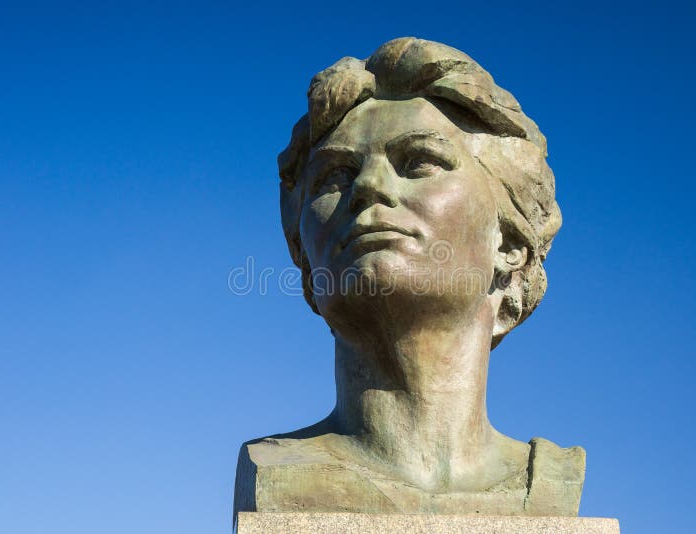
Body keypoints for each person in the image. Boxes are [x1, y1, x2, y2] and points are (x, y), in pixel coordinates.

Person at [234, 37, 584, 519]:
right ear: (304, 255)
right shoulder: (274, 467)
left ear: (509, 243)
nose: (367, 188)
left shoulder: (551, 481)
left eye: (419, 161)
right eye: (335, 175)